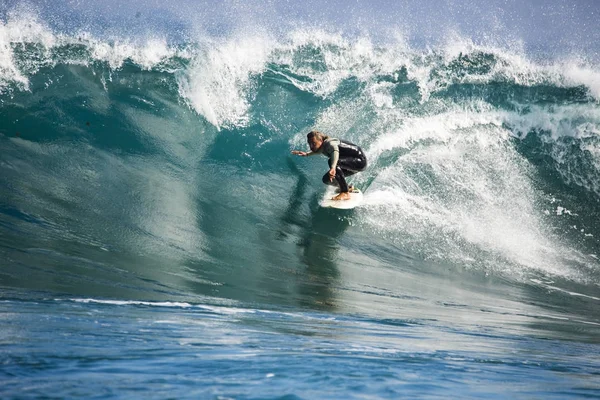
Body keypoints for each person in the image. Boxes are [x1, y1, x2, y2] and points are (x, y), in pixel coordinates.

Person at [292, 130, 367, 201]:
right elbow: (319, 150)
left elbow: (335, 151)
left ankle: (345, 192)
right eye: (310, 144)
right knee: (326, 179)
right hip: (351, 163)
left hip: (360, 161)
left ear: (321, 140)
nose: (311, 146)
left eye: (313, 144)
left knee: (331, 161)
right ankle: (347, 187)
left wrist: (333, 167)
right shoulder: (323, 146)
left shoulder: (330, 143)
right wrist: (307, 154)